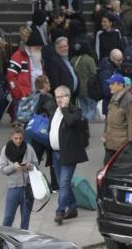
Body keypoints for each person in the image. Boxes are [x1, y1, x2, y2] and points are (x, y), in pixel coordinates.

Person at [48, 85, 88, 225]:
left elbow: (71, 122)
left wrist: (65, 108)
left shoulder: (75, 110)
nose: (58, 99)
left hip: (68, 155)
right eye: (56, 97)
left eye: (61, 97)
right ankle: (72, 208)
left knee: (64, 185)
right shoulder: (55, 111)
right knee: (62, 183)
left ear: (68, 97)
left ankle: (60, 212)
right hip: (55, 154)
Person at [0, 123, 37, 230]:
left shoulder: (29, 148)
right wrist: (14, 167)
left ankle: (23, 242)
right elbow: (3, 169)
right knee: (8, 218)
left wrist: (29, 166)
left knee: (25, 219)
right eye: (16, 138)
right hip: (13, 188)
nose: (18, 141)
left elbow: (36, 165)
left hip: (27, 188)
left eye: (20, 138)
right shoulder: (5, 149)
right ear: (11, 137)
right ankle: (4, 239)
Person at [102, 73, 132, 161]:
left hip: (120, 146)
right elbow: (108, 119)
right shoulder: (114, 97)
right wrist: (105, 134)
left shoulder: (129, 100)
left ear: (120, 85)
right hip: (111, 143)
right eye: (109, 84)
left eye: (112, 84)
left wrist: (131, 146)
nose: (110, 86)